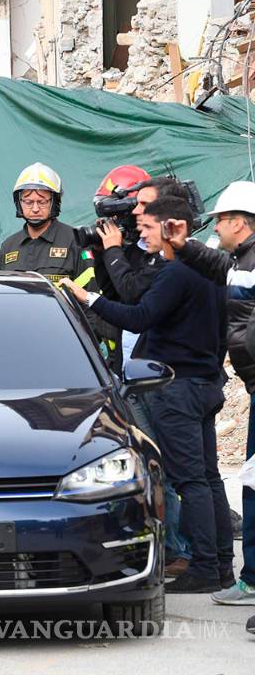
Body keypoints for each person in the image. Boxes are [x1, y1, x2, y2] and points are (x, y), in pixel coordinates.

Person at [62, 196, 233, 594]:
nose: (142, 235)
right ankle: (221, 564)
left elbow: (139, 316)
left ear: (173, 226)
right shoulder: (210, 268)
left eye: (147, 228)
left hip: (176, 388)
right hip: (205, 382)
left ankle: (206, 568)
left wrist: (89, 299)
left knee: (190, 481)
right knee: (208, 478)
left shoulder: (177, 272)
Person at [160, 181, 255, 606]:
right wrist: (183, 246)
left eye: (219, 220)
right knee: (247, 483)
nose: (215, 226)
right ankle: (250, 576)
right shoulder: (241, 261)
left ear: (239, 221)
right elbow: (218, 266)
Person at [0, 163, 95, 290]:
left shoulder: (76, 241)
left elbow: (90, 297)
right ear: (19, 203)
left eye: (42, 202)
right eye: (28, 202)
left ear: (55, 202)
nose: (35, 209)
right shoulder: (8, 246)